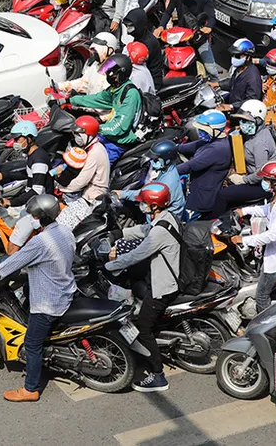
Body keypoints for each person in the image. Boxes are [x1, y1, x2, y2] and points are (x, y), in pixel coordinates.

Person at [0, 193, 76, 402]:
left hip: (48, 302)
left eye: (35, 215)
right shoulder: (65, 231)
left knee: (32, 343)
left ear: (42, 217)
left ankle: (30, 389)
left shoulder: (41, 242)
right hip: (66, 290)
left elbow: (15, 261)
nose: (32, 218)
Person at [105, 183, 182, 392]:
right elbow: (144, 230)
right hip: (163, 279)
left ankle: (158, 375)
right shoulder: (167, 218)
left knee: (143, 328)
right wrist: (117, 233)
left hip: (163, 287)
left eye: (145, 203)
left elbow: (137, 254)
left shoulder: (159, 232)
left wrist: (108, 265)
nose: (142, 207)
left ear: (154, 205)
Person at [232, 161, 276, 312]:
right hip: (271, 250)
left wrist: (243, 240)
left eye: (267, 180)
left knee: (261, 295)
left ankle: (266, 330)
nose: (264, 183)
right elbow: (267, 209)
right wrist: (244, 211)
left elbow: (273, 235)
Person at [69, 54, 142, 163]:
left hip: (118, 142)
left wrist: (95, 129)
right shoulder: (115, 88)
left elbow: (120, 127)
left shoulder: (130, 94)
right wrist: (69, 100)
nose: (108, 75)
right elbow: (96, 99)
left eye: (111, 72)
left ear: (121, 73)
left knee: (95, 169)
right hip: (109, 134)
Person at [157, 0, 219, 81]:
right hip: (181, 38)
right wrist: (161, 26)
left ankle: (217, 87)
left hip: (198, 36)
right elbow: (168, 12)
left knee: (211, 70)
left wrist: (208, 27)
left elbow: (211, 17)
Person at [54, 116, 111, 230]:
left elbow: (81, 180)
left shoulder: (95, 152)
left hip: (91, 195)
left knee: (63, 223)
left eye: (79, 134)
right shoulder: (88, 147)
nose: (76, 137)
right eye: (75, 133)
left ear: (88, 135)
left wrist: (62, 189)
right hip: (84, 190)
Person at [176, 110, 232, 218]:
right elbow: (189, 147)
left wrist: (169, 171)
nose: (201, 133)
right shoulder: (209, 140)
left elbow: (191, 165)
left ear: (216, 130)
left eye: (204, 130)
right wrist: (173, 147)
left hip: (201, 198)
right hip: (195, 189)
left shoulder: (217, 148)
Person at [223, 101, 276, 206]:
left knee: (223, 194)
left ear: (258, 121)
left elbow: (261, 173)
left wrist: (242, 180)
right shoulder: (253, 133)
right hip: (249, 175)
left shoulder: (260, 144)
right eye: (241, 120)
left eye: (246, 121)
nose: (242, 124)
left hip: (261, 184)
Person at [118, 139, 186, 221]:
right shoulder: (168, 170)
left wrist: (122, 194)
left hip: (161, 223)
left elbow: (145, 195)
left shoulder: (168, 183)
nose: (152, 162)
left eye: (156, 160)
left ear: (167, 160)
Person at [0, 121, 54, 209]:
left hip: (39, 205)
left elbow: (36, 191)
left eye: (17, 139)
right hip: (32, 200)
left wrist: (11, 202)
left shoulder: (39, 161)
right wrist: (3, 175)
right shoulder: (33, 154)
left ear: (29, 138)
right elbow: (27, 173)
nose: (15, 143)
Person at [122, 8, 163, 88]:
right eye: (127, 26)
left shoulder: (149, 43)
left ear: (139, 24)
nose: (128, 29)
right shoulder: (138, 37)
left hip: (151, 82)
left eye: (130, 26)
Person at [219, 38, 262, 112]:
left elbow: (252, 101)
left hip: (241, 113)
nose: (233, 58)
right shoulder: (239, 69)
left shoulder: (253, 77)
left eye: (237, 56)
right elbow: (233, 83)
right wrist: (217, 84)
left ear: (248, 57)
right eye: (232, 55)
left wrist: (231, 106)